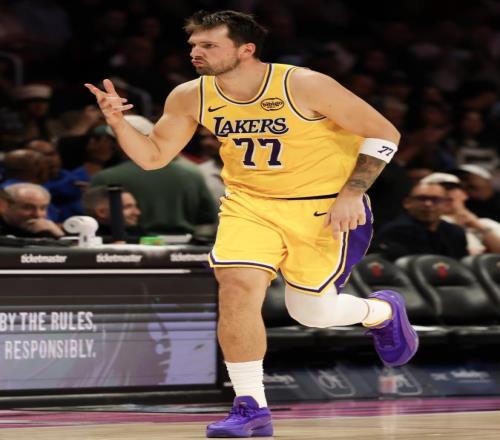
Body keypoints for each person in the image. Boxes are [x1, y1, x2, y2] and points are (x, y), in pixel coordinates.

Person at [86, 10, 418, 438]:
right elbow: (153, 157)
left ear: (246, 50)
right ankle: (250, 406)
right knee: (237, 288)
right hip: (249, 205)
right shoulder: (190, 95)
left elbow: (384, 133)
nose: (196, 52)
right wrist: (116, 122)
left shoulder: (303, 84)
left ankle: (382, 311)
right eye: (193, 45)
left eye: (209, 45)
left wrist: (352, 193)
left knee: (312, 313)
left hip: (321, 207)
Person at [373, 182, 468, 260]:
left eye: (435, 199)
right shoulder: (395, 231)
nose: (428, 204)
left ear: (446, 204)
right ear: (407, 203)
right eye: (421, 199)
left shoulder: (455, 232)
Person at [421, 172, 500, 254]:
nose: (445, 193)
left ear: (464, 194)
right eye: (436, 191)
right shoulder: (424, 227)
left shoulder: (486, 224)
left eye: (450, 188)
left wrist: (478, 226)